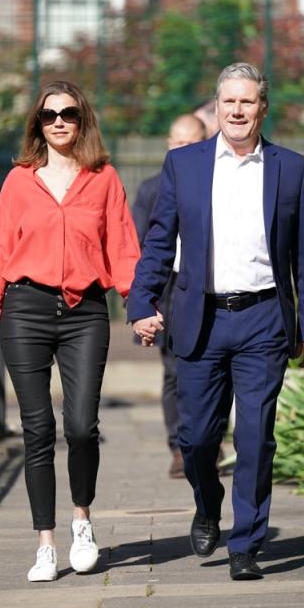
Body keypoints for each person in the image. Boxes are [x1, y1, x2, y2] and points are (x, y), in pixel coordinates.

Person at [128, 63, 304, 581]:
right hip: (201, 317)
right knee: (195, 438)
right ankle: (207, 502)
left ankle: (246, 544)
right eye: (228, 102)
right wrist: (141, 300)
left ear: (263, 108)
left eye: (248, 102)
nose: (237, 111)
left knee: (256, 437)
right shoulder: (185, 166)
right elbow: (157, 239)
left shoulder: (292, 168)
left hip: (263, 318)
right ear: (216, 108)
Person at [0, 81, 141, 582]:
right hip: (25, 310)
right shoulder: (19, 182)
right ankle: (45, 543)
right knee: (37, 429)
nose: (60, 122)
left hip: (86, 311)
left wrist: (141, 305)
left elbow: (124, 248)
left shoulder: (104, 178)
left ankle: (82, 520)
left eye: (69, 113)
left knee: (82, 426)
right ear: (38, 125)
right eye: (50, 116)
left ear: (83, 119)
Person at [129, 114, 207, 478]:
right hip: (171, 286)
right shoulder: (151, 188)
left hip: (210, 283)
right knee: (175, 369)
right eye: (177, 142)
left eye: (190, 143)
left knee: (214, 367)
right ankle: (178, 447)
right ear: (167, 144)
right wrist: (144, 302)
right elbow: (141, 247)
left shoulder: (218, 181)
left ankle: (208, 442)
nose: (182, 149)